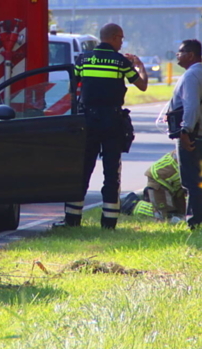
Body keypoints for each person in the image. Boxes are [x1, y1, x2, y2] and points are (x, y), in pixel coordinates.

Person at [61, 23, 148, 229]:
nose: (122, 42)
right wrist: (140, 65)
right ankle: (108, 222)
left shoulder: (83, 59)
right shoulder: (121, 62)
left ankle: (72, 219)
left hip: (87, 121)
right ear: (115, 37)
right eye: (122, 38)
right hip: (112, 121)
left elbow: (72, 87)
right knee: (111, 172)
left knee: (82, 169)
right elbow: (142, 85)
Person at [166, 38, 202, 229]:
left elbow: (191, 105)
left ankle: (196, 222)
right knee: (197, 181)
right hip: (201, 135)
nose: (178, 55)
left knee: (190, 182)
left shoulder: (191, 76)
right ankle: (196, 219)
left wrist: (185, 131)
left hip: (191, 136)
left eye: (180, 52)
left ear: (191, 55)